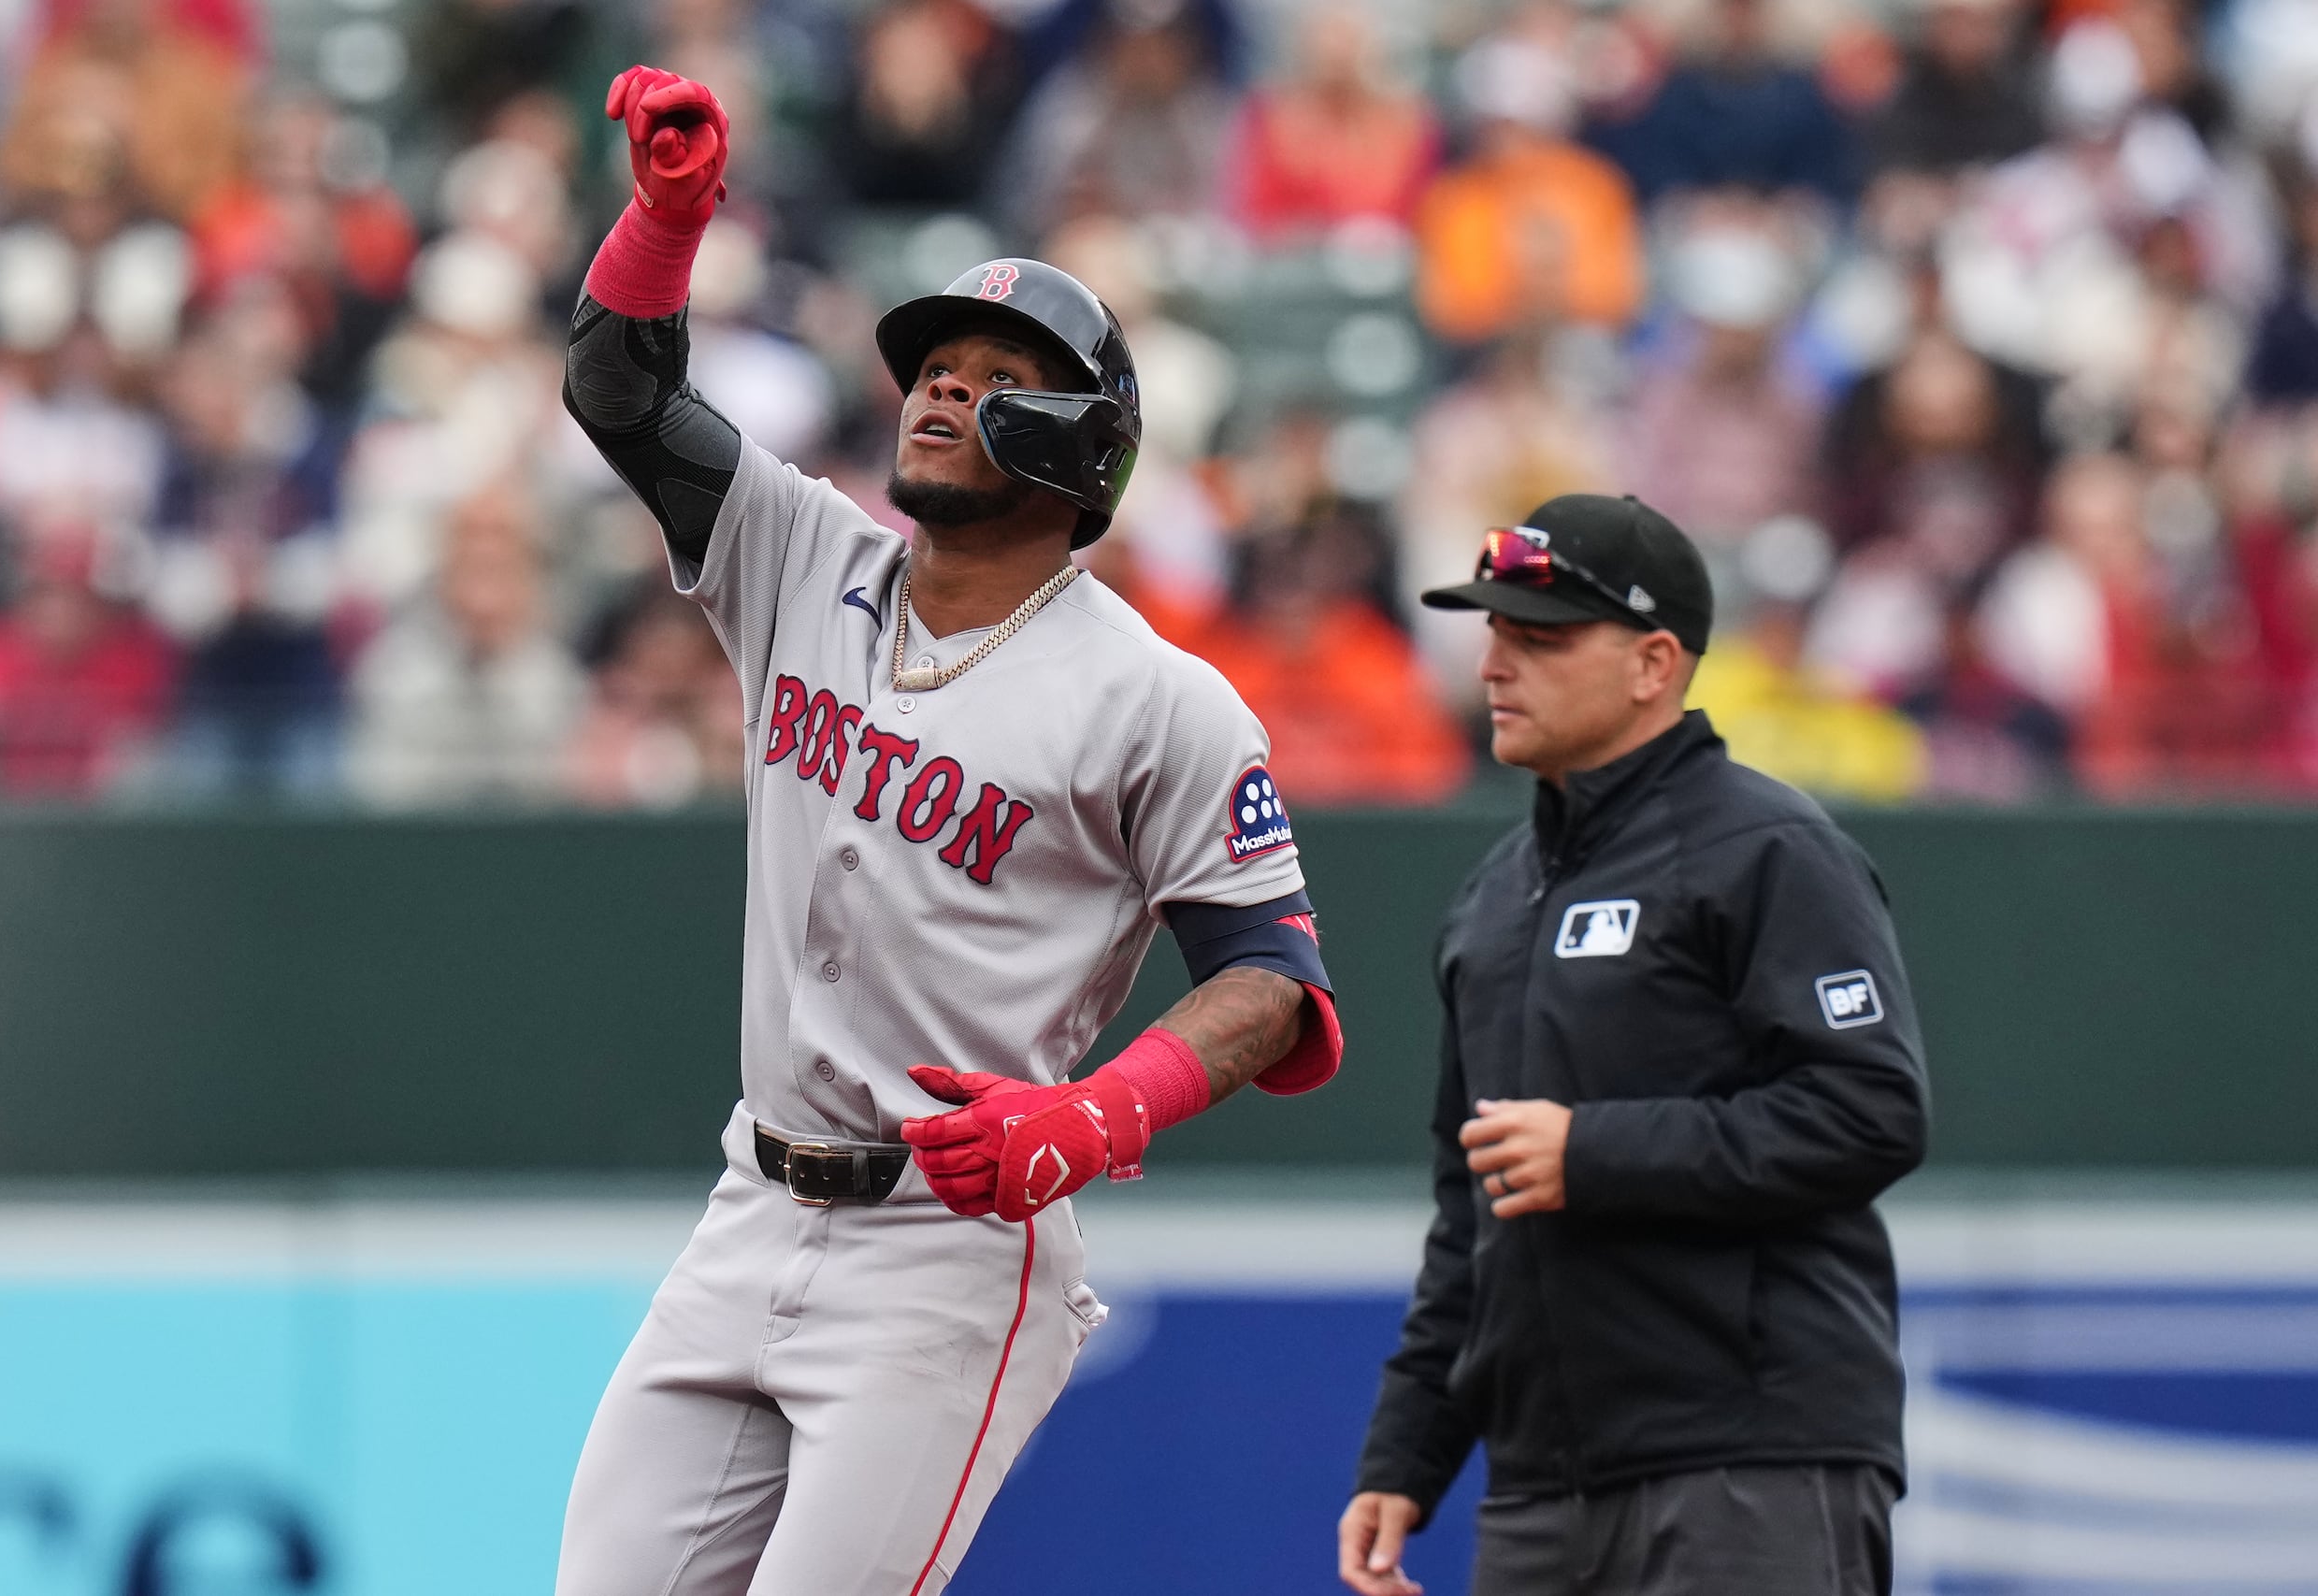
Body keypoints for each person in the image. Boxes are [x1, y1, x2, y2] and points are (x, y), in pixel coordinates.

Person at [554, 65, 1342, 1596]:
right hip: (751, 1197)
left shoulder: (1158, 696)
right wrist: (664, 222)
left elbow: (1274, 976)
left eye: (991, 372)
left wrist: (1099, 1113)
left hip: (946, 1250)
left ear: (1078, 439)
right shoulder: (804, 552)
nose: (937, 384)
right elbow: (622, 396)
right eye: (933, 362)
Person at [1338, 496, 1928, 1596]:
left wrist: (1594, 1154)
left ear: (1655, 662)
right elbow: (1470, 1210)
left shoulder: (1771, 848)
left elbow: (1870, 1112)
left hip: (1749, 1455)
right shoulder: (1493, 898)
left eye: (1541, 638)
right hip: (1540, 1484)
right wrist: (1409, 1451)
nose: (1495, 666)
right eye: (1494, 633)